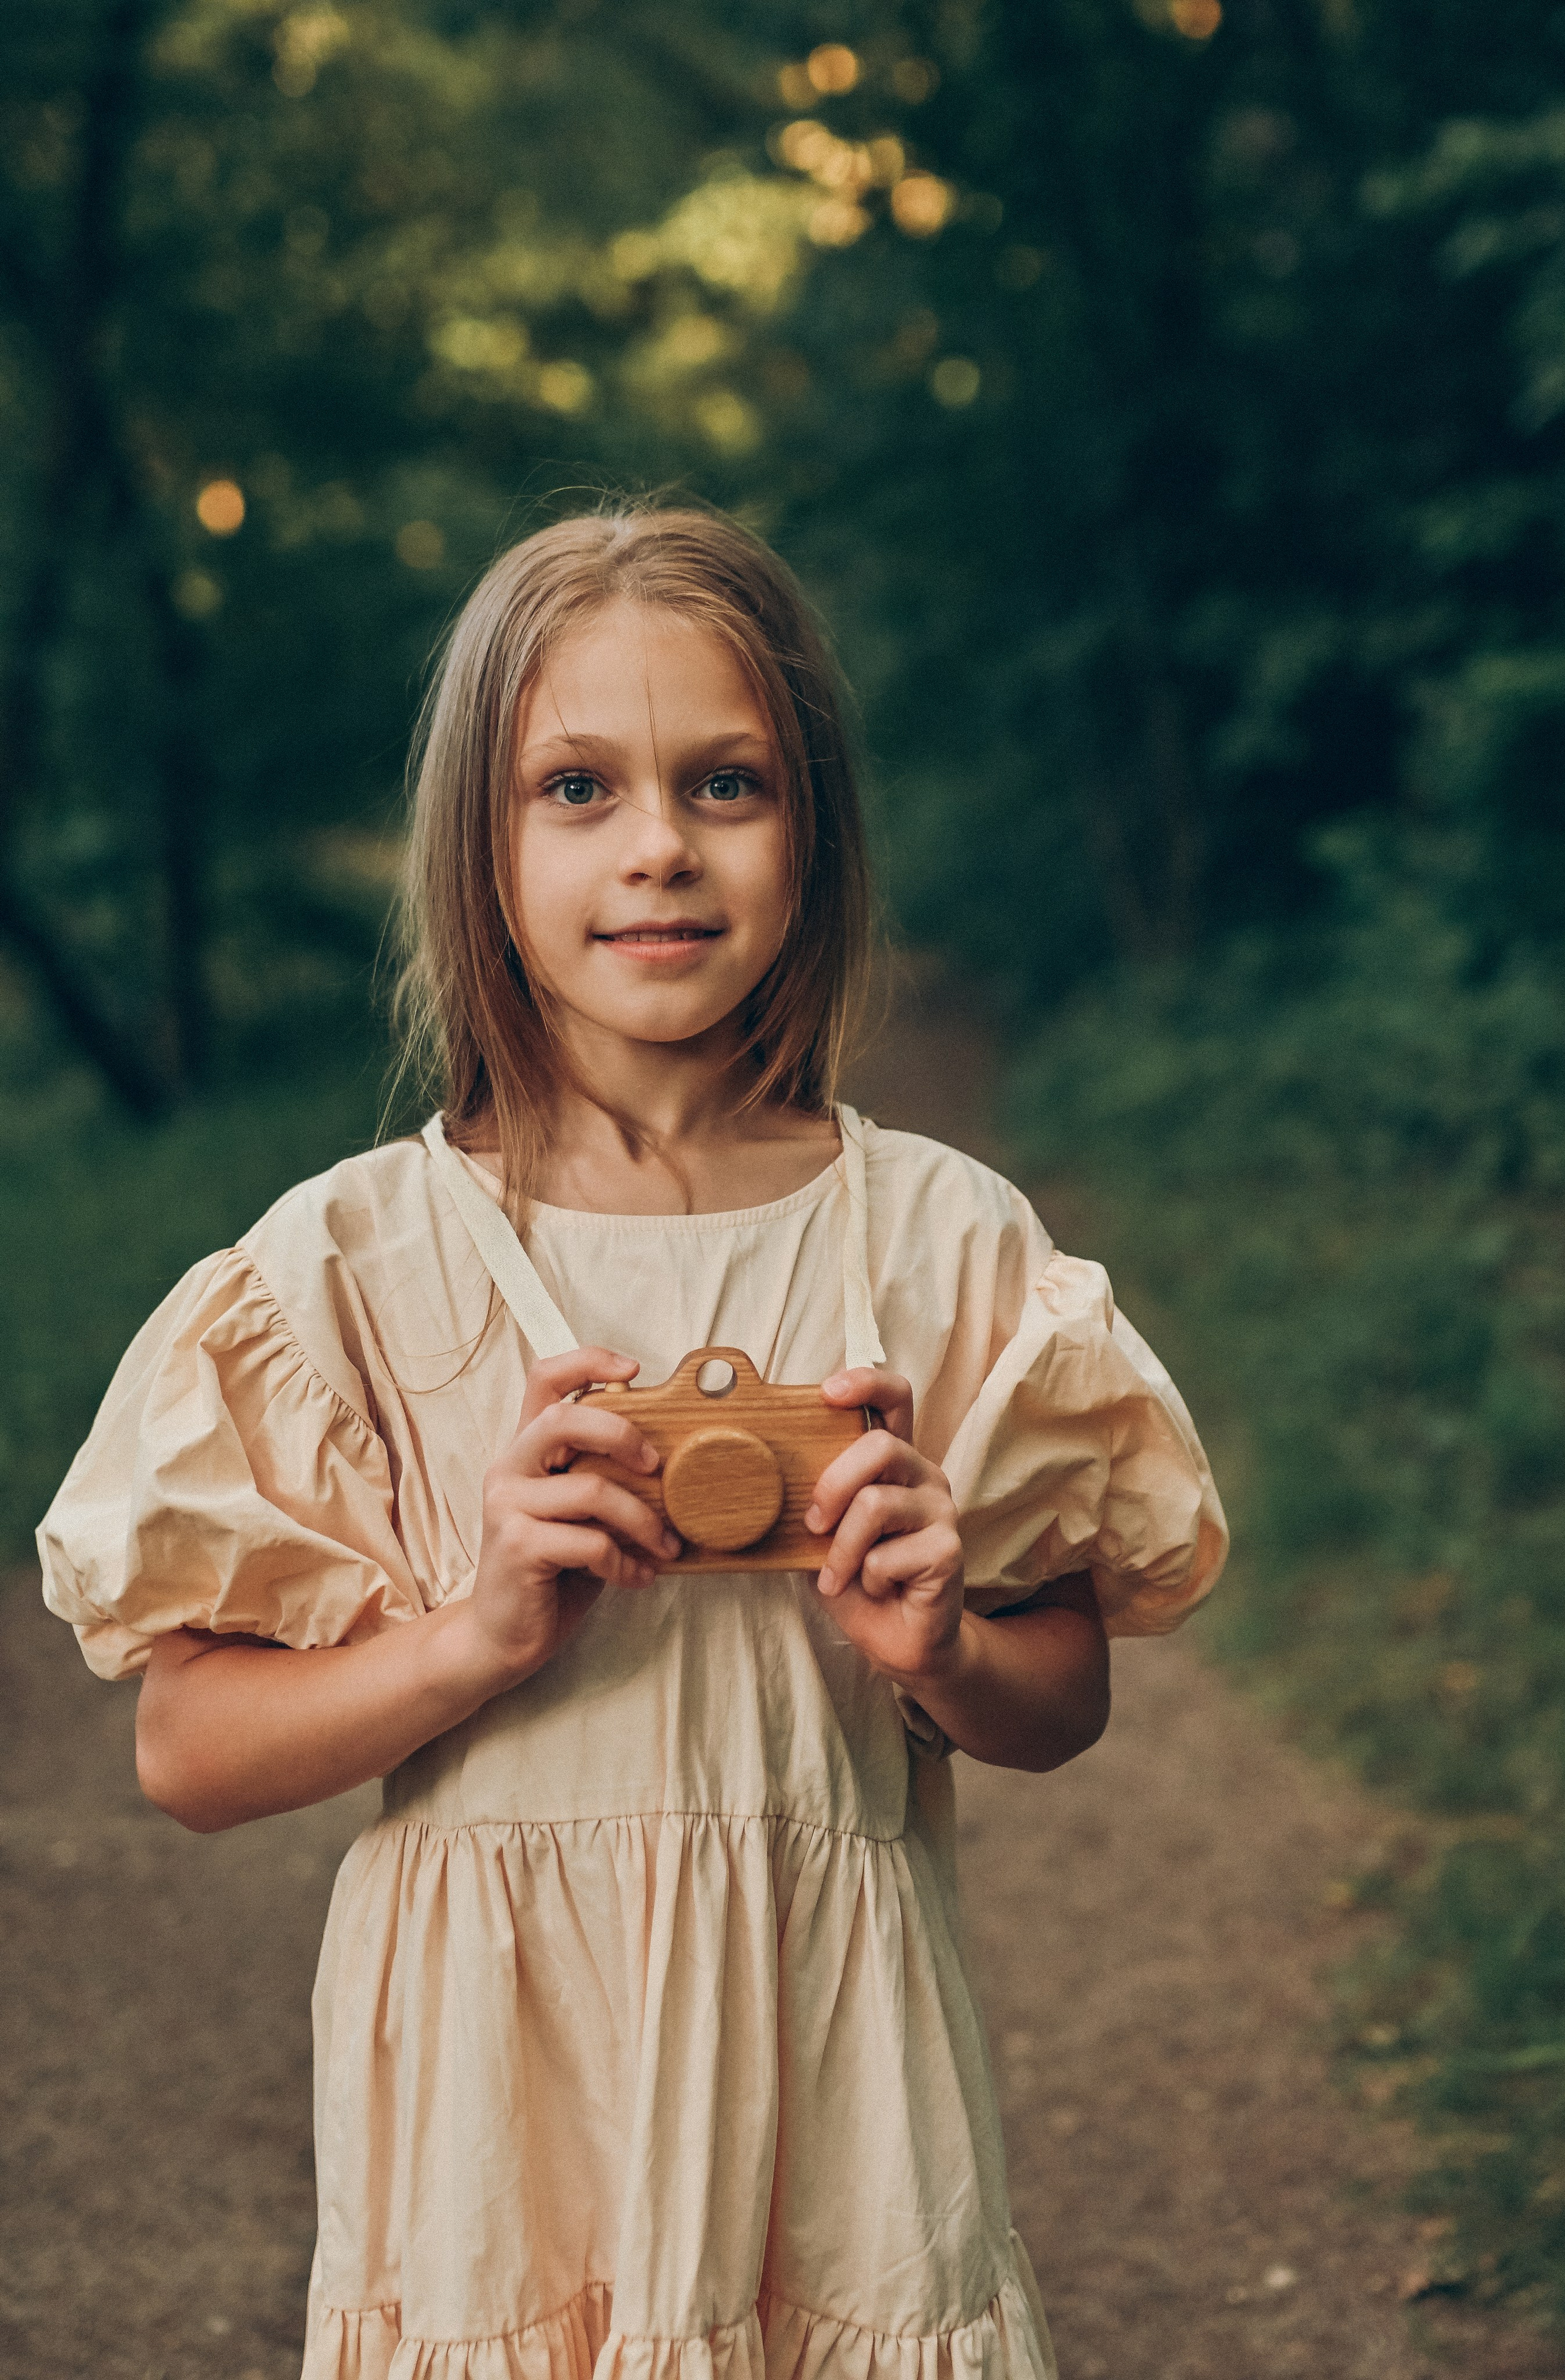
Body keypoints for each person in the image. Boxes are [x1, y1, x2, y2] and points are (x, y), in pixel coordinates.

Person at [38, 505, 1228, 2380]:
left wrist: (942, 1651)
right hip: (498, 2131)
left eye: (728, 781)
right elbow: (186, 1748)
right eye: (577, 787)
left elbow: (1061, 1696)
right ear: (478, 846)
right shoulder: (349, 1263)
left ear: (812, 826)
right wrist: (478, 1632)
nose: (660, 844)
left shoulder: (940, 1245)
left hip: (838, 2086)